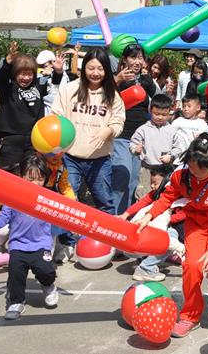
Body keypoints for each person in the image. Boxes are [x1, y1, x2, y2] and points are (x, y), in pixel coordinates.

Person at [136, 134, 208, 340]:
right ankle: (190, 316)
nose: (195, 174)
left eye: (201, 170)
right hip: (195, 225)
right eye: (192, 168)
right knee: (191, 266)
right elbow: (167, 196)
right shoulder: (181, 173)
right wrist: (148, 215)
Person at [51, 47, 125, 260]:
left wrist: (108, 130)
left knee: (105, 202)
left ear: (106, 70)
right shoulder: (69, 89)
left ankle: (108, 241)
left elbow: (118, 120)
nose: (95, 73)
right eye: (91, 68)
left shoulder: (112, 95)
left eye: (100, 69)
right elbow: (57, 116)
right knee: (69, 201)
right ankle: (67, 243)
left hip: (100, 159)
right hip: (70, 156)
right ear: (84, 69)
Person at [0, 155, 59, 320]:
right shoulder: (14, 196)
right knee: (16, 273)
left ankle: (48, 285)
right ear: (22, 176)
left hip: (41, 243)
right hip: (18, 244)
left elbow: (63, 213)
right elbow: (4, 215)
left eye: (40, 179)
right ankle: (16, 302)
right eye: (31, 179)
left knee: (46, 270)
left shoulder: (49, 197)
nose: (36, 183)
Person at [0, 41, 61, 173]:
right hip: (10, 140)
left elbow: (54, 85)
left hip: (33, 140)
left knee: (30, 175)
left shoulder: (38, 85)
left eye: (29, 74)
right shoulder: (8, 88)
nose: (25, 78)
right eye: (22, 74)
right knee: (10, 175)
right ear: (15, 74)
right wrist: (7, 62)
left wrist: (58, 71)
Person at [120, 163, 185, 282]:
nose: (151, 186)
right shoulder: (159, 198)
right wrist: (125, 214)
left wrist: (170, 219)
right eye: (151, 182)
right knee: (170, 239)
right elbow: (143, 202)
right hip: (141, 240)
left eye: (155, 183)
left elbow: (184, 213)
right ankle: (146, 268)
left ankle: (143, 261)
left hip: (134, 242)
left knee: (168, 237)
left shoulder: (169, 196)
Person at [113, 44, 158, 214]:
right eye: (133, 57)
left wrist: (150, 83)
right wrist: (118, 79)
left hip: (140, 137)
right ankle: (113, 218)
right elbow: (103, 96)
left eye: (140, 58)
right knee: (121, 177)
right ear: (124, 59)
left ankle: (126, 217)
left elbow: (159, 100)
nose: (137, 62)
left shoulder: (145, 80)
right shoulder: (116, 78)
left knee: (133, 180)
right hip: (121, 135)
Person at [130, 93, 184, 195]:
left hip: (165, 169)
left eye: (164, 115)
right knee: (144, 192)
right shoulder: (143, 129)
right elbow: (133, 143)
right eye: (157, 114)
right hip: (147, 168)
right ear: (150, 111)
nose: (160, 117)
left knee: (164, 193)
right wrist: (135, 149)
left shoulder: (171, 130)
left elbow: (178, 148)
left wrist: (171, 156)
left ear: (169, 113)